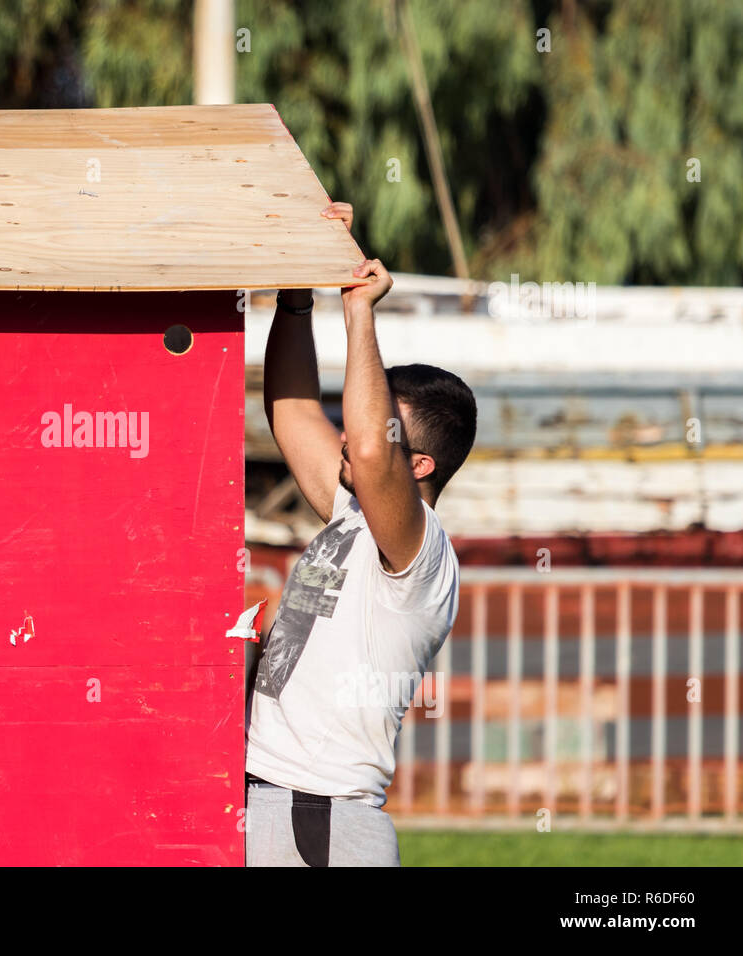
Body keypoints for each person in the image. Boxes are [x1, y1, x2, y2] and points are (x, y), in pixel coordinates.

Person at [245, 201, 478, 866]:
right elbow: (289, 408)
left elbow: (373, 450)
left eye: (373, 424)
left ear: (422, 465)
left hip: (316, 819)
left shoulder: (421, 551)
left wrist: (359, 308)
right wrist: (298, 286)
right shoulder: (352, 512)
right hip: (281, 807)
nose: (348, 433)